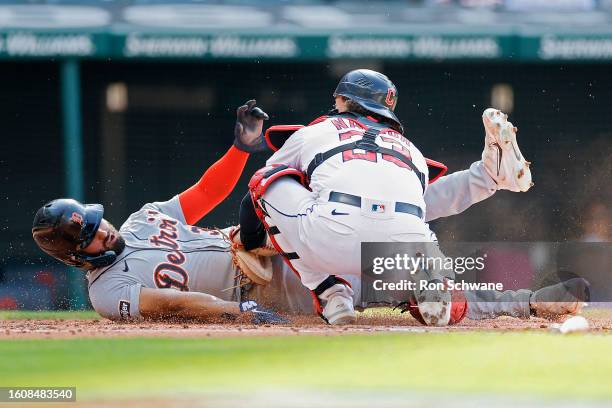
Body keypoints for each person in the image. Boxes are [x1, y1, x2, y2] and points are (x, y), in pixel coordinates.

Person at [236, 69, 539, 325]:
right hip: (402, 248)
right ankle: (487, 179)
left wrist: (251, 240)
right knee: (412, 216)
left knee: (266, 179)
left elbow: (256, 194)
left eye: (338, 98)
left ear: (347, 100)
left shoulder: (318, 129)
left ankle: (330, 294)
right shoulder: (411, 150)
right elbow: (428, 203)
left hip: (328, 241)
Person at [32, 100, 287, 324]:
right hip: (260, 291)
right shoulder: (106, 291)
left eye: (96, 222)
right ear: (75, 258)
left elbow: (207, 192)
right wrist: (241, 310)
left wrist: (240, 148)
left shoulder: (142, 219)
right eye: (90, 236)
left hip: (260, 243)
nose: (102, 231)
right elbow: (173, 303)